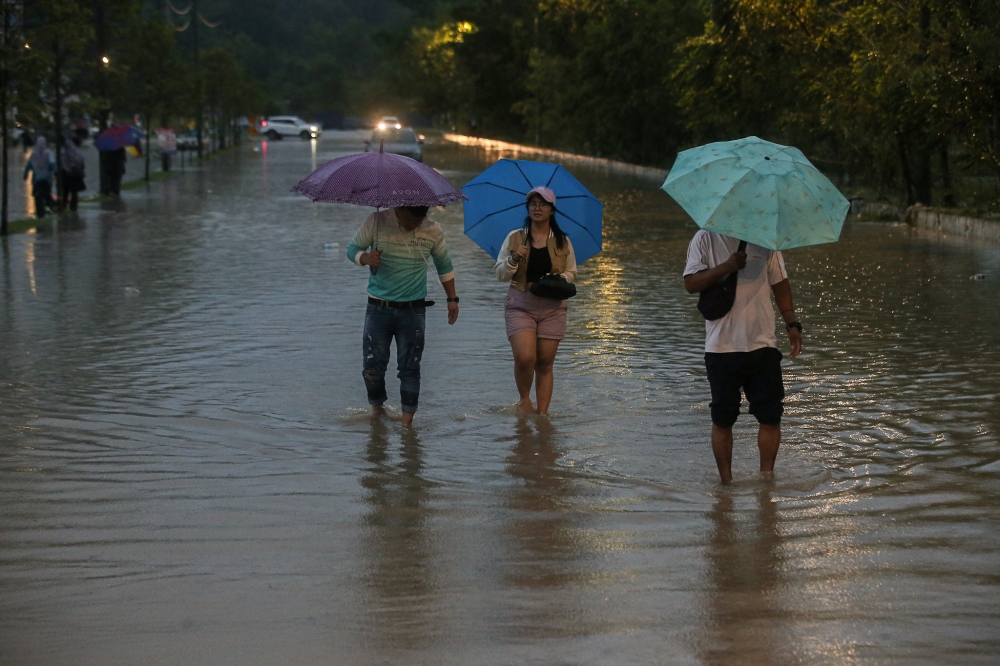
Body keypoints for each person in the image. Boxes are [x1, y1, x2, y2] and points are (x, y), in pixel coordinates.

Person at [683, 230, 802, 484]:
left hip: (763, 344)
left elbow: (780, 283)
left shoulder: (768, 239)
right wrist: (726, 266)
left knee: (771, 415)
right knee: (722, 419)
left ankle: (766, 481)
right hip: (721, 347)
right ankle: (726, 485)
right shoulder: (704, 238)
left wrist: (792, 323)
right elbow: (691, 283)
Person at [346, 205, 460, 428]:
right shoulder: (376, 221)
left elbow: (444, 265)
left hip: (413, 311)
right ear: (398, 208)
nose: (413, 226)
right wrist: (366, 258)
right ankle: (377, 409)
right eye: (408, 220)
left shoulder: (433, 230)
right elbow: (352, 249)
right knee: (372, 367)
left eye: (418, 221)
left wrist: (452, 299)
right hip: (378, 308)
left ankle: (407, 425)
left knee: (410, 368)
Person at [494, 186, 577, 415]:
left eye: (543, 204)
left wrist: (558, 278)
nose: (537, 208)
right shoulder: (515, 237)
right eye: (533, 204)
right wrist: (513, 258)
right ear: (528, 208)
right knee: (525, 357)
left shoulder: (563, 241)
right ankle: (524, 400)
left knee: (545, 362)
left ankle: (542, 416)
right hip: (520, 303)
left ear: (552, 210)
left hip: (553, 307)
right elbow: (500, 274)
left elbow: (571, 271)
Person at [23, 137, 55, 218]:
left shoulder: (33, 155)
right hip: (47, 179)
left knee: (37, 196)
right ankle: (48, 209)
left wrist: (25, 176)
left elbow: (28, 166)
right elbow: (52, 163)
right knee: (47, 194)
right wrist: (55, 172)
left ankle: (39, 213)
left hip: (36, 179)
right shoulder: (48, 153)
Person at [60, 137, 86, 211]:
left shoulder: (63, 155)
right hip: (76, 175)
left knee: (65, 192)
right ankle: (74, 207)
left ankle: (64, 206)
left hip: (66, 175)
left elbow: (61, 165)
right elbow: (82, 164)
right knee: (74, 192)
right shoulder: (78, 154)